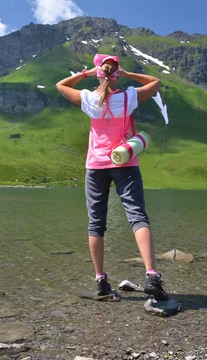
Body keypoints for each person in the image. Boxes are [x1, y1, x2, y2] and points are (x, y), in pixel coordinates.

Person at [56, 54, 169, 301]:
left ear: (99, 73)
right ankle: (151, 275)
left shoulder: (88, 99)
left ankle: (100, 281)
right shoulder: (129, 97)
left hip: (96, 167)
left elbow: (61, 85)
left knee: (96, 223)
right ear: (116, 74)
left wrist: (86, 74)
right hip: (125, 161)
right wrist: (128, 75)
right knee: (137, 216)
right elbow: (155, 81)